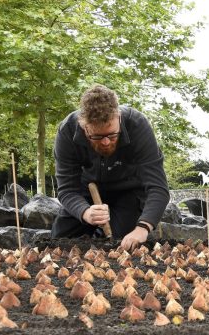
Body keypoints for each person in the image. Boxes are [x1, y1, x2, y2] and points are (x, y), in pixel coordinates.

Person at [51, 84, 170, 250]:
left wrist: (143, 227)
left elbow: (158, 187)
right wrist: (84, 212)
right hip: (86, 192)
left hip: (129, 191)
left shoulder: (137, 125)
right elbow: (67, 189)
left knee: (124, 244)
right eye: (97, 136)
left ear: (119, 118)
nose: (106, 142)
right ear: (84, 126)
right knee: (58, 243)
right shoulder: (67, 131)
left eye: (112, 134)